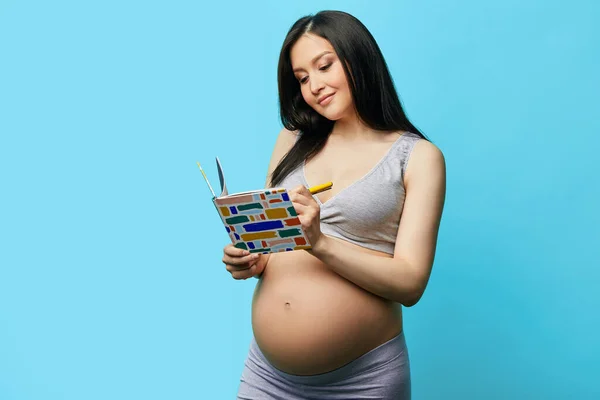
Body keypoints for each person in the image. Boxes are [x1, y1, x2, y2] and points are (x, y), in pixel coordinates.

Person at [222, 10, 446, 400]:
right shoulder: (291, 140)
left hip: (363, 382)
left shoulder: (418, 157)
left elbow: (411, 284)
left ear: (358, 56)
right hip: (267, 377)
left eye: (324, 66)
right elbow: (271, 245)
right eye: (303, 78)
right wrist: (253, 260)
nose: (314, 86)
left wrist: (320, 242)